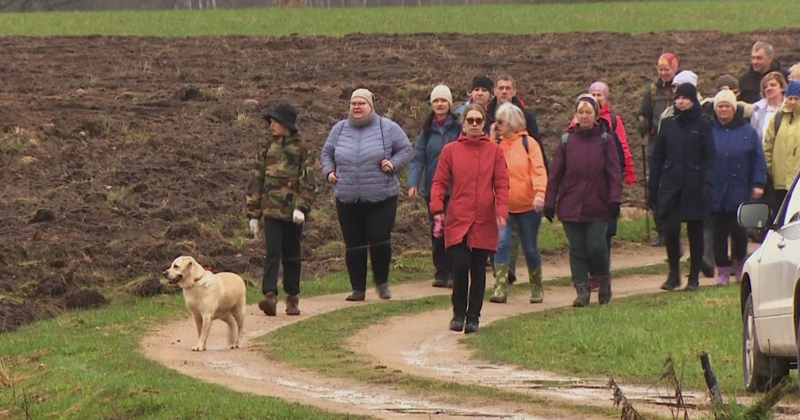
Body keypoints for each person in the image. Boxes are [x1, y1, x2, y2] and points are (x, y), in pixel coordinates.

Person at [321, 88, 412, 302]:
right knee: (353, 243)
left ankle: (382, 283)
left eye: (362, 103)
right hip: (347, 196)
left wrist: (393, 164)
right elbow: (327, 153)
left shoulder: (387, 127)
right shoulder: (340, 129)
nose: (357, 107)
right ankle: (358, 288)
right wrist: (329, 172)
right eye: (353, 103)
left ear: (371, 106)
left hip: (381, 196)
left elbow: (406, 149)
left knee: (379, 237)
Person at [430, 104, 508, 334]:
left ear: (484, 124)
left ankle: (473, 316)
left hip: (483, 219)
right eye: (470, 120)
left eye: (478, 121)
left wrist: (501, 211)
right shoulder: (450, 150)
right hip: (459, 217)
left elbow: (502, 184)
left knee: (478, 269)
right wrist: (437, 207)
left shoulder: (495, 152)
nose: (474, 124)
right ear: (463, 123)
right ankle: (458, 313)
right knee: (461, 264)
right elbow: (439, 182)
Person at [544, 95, 621, 307]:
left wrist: (615, 199)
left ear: (596, 115)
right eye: (581, 112)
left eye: (589, 112)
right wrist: (550, 201)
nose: (585, 116)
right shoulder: (566, 142)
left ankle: (603, 279)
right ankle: (581, 289)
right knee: (577, 249)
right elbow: (555, 174)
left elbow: (614, 173)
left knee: (596, 245)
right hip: (571, 204)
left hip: (598, 204)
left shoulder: (606, 140)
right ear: (576, 116)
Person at [246, 103, 317, 316]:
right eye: (270, 122)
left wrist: (302, 208)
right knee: (272, 253)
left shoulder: (303, 150)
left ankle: (292, 297)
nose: (271, 126)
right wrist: (254, 214)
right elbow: (256, 181)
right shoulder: (267, 150)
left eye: (275, 122)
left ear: (286, 124)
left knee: (292, 255)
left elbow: (308, 182)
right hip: (271, 212)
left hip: (293, 214)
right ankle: (269, 296)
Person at [649, 83, 716, 292]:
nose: (680, 102)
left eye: (685, 98)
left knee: (695, 231)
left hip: (695, 186)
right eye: (678, 98)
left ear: (693, 100)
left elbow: (710, 157)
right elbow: (658, 156)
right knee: (670, 230)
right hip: (671, 186)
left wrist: (707, 183)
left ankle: (694, 277)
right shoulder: (668, 124)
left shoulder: (703, 125)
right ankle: (673, 274)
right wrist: (653, 186)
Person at [485, 74, 547, 284]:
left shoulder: (529, 142)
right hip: (503, 203)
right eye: (500, 87)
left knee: (529, 247)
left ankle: (536, 286)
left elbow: (539, 168)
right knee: (500, 243)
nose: (504, 91)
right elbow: (487, 164)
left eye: (508, 87)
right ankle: (500, 285)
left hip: (528, 204)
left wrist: (541, 193)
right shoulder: (493, 134)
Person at [709, 90, 766, 286]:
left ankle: (740, 265)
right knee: (718, 234)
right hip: (716, 191)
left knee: (739, 232)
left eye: (727, 106)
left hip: (739, 190)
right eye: (720, 107)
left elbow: (758, 158)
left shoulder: (747, 132)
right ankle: (722, 272)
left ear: (734, 109)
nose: (723, 110)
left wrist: (758, 183)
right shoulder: (709, 131)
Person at [408, 85, 462, 288]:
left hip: (455, 189)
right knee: (437, 230)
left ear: (449, 103)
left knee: (453, 230)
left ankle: (454, 272)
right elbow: (417, 158)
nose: (440, 104)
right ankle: (441, 271)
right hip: (432, 189)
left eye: (443, 101)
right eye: (436, 101)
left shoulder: (458, 127)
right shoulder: (427, 130)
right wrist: (413, 183)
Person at [763, 81, 800, 214]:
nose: (792, 102)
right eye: (790, 98)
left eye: (796, 98)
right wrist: (769, 170)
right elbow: (768, 146)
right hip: (779, 182)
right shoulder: (777, 118)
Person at [638, 52, 679, 152]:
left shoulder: (682, 88)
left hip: (678, 140)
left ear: (675, 69)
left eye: (667, 69)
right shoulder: (653, 90)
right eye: (660, 70)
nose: (663, 73)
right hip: (656, 141)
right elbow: (644, 112)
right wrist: (642, 124)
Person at [750, 71, 787, 141]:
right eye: (765, 87)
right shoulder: (756, 110)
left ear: (782, 87)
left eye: (773, 85)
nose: (769, 88)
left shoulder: (790, 108)